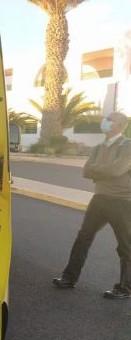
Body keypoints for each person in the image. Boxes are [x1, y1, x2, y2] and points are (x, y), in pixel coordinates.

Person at [53, 112, 131, 299]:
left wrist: (100, 170)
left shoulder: (127, 146)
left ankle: (125, 288)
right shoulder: (98, 147)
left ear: (121, 125)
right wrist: (104, 170)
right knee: (83, 238)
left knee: (125, 245)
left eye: (110, 120)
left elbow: (117, 169)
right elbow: (86, 170)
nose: (105, 122)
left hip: (122, 201)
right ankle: (69, 278)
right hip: (99, 198)